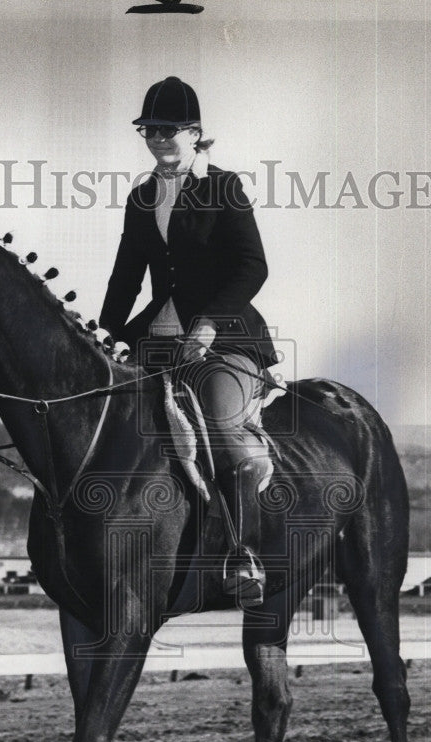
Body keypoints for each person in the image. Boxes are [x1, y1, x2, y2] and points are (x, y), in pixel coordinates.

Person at [99, 75, 278, 607]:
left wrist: (207, 324)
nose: (156, 139)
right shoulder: (141, 197)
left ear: (195, 133)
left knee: (223, 429)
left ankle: (243, 555)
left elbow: (253, 266)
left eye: (167, 130)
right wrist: (103, 332)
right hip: (157, 338)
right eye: (148, 130)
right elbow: (125, 275)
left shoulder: (224, 187)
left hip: (225, 338)